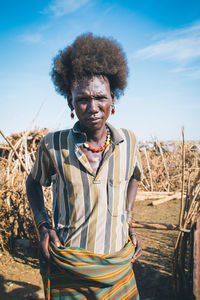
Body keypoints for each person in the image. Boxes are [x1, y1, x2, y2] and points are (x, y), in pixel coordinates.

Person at [26, 33, 142, 300]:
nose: (93, 107)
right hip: (69, 269)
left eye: (101, 97)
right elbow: (33, 182)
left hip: (118, 269)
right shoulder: (53, 145)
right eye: (83, 99)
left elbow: (134, 177)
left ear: (114, 99)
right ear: (70, 102)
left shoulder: (129, 141)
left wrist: (127, 218)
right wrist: (43, 225)